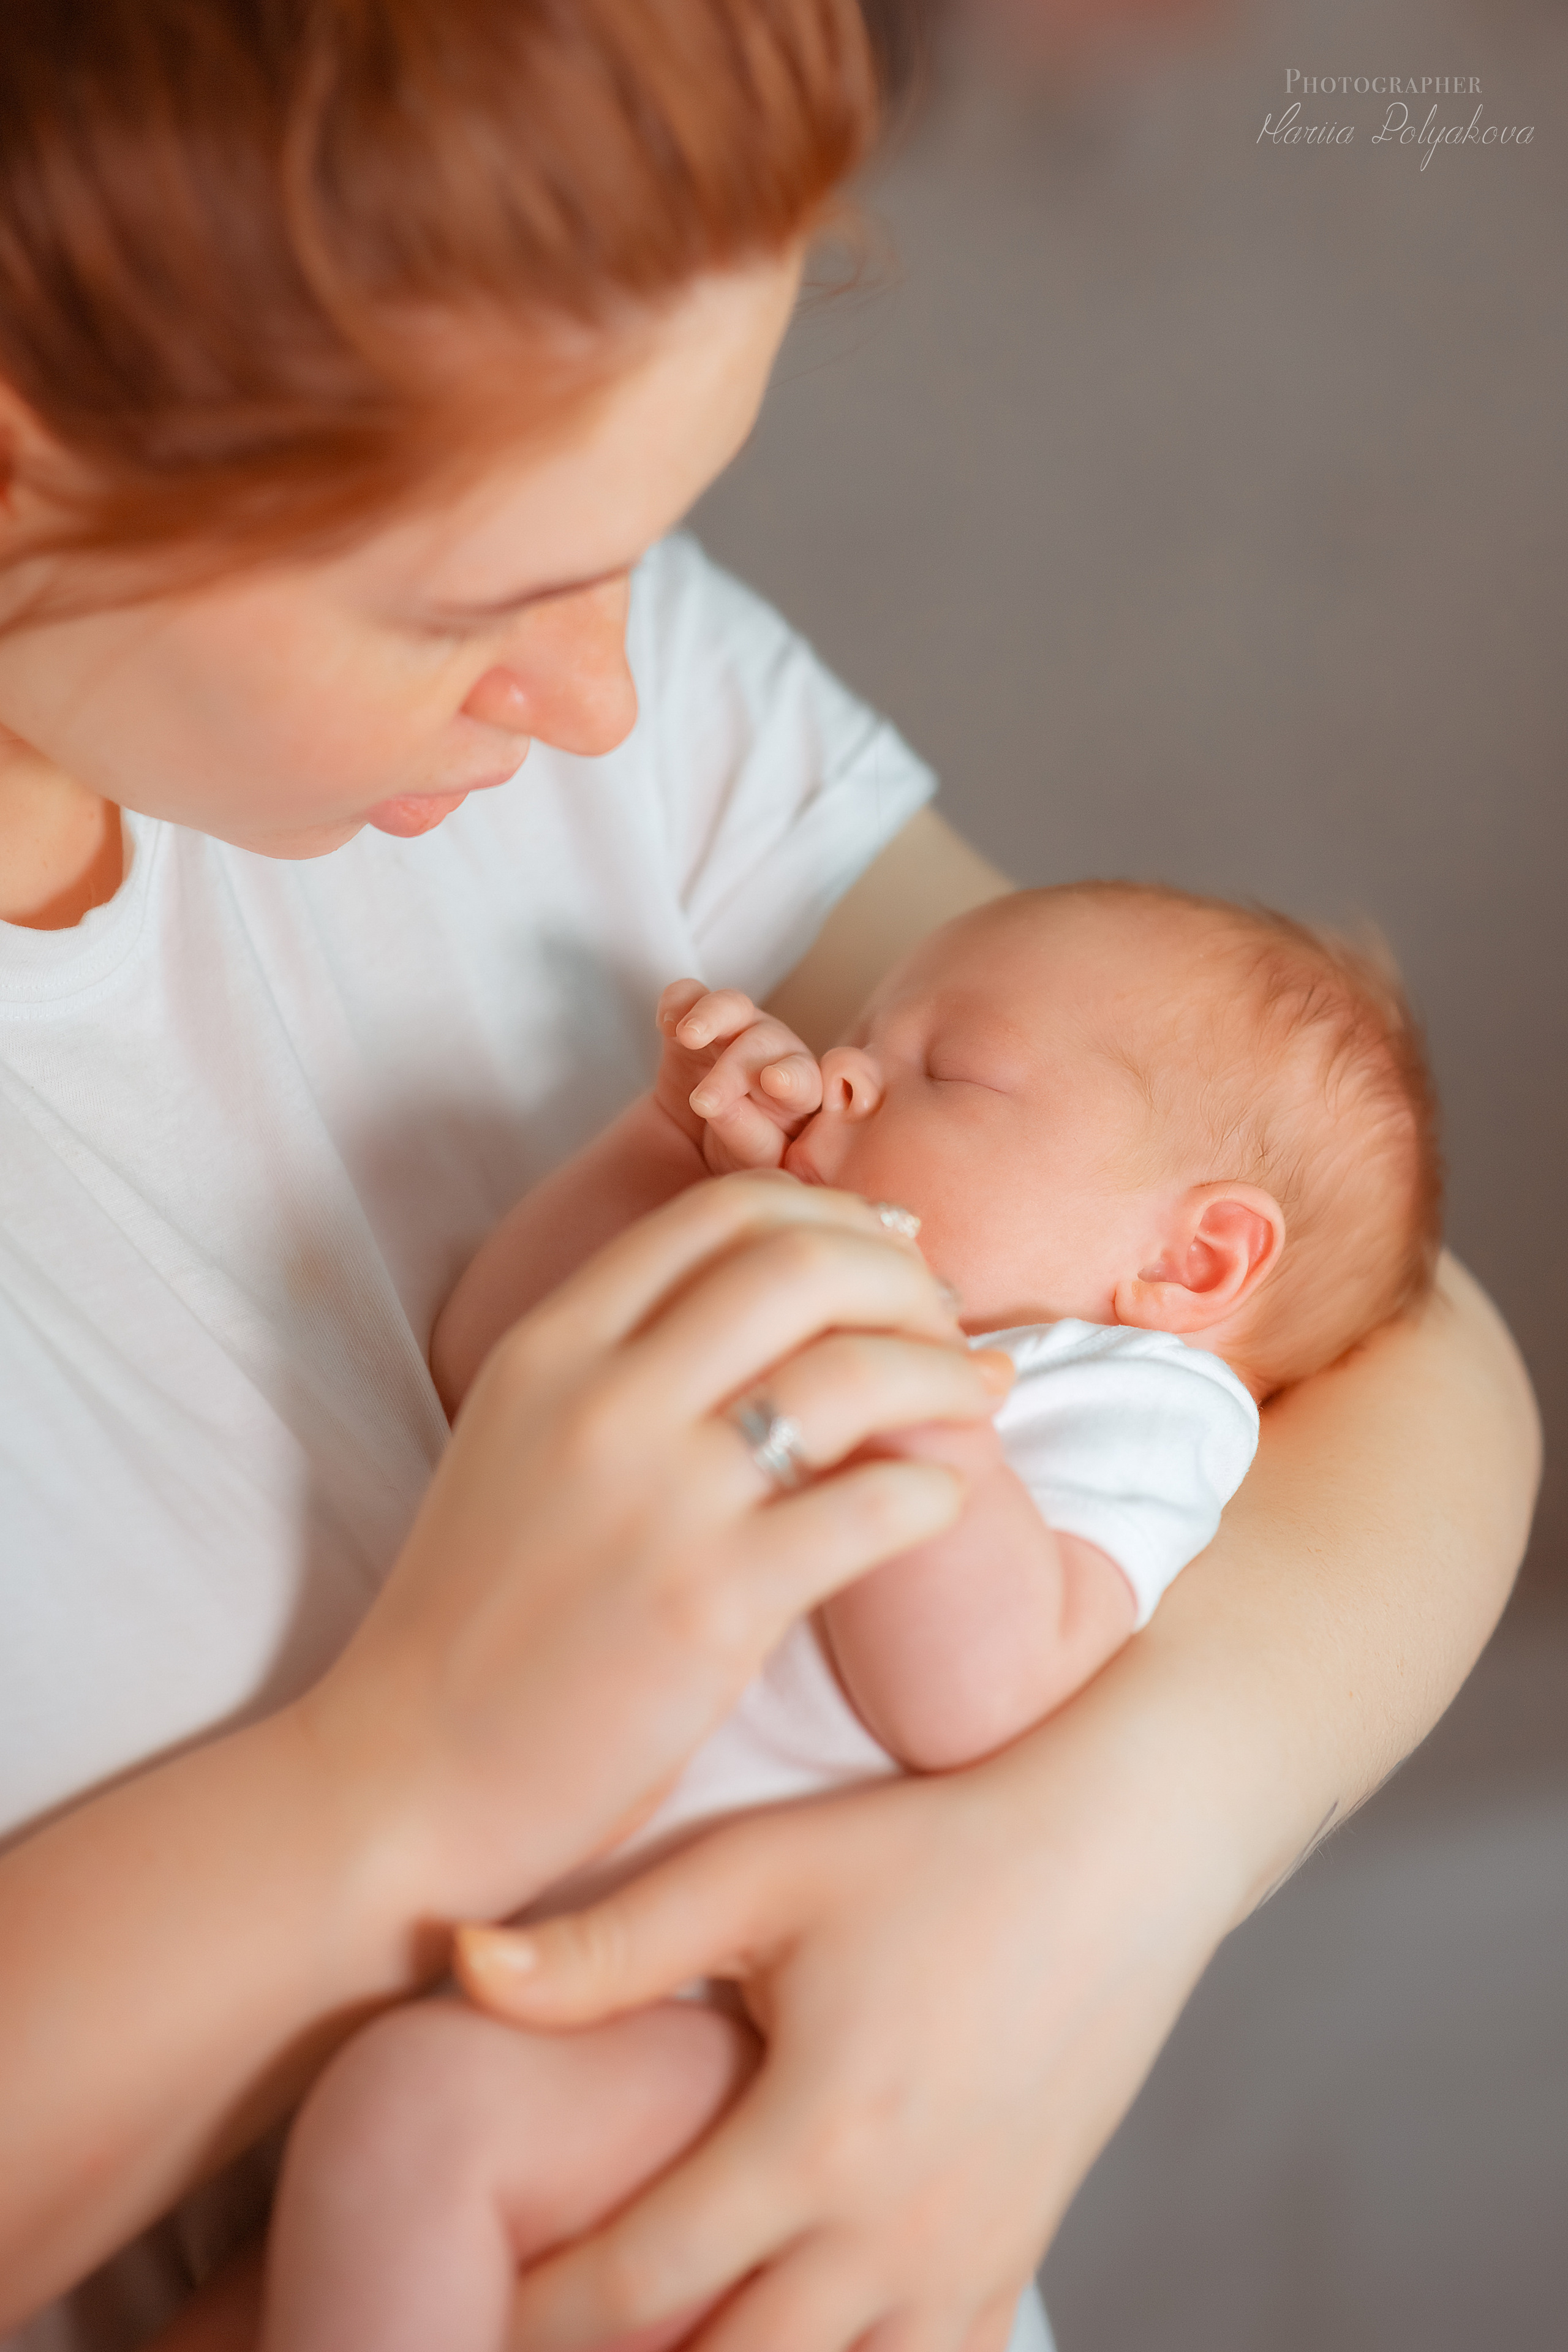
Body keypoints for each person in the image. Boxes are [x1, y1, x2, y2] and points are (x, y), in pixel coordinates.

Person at [0, 6, 1537, 2351]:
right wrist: (399, 1782)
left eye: (651, 533)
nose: (602, 702)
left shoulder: (620, 721)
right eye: (467, 600)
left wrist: (1098, 1867)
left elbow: (1390, 1333)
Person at [258, 878, 1443, 2352]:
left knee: (413, 2124)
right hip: (618, 2008)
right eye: (862, 1034)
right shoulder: (802, 1279)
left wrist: (907, 1392)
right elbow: (496, 1350)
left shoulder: (1128, 1397)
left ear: (1189, 1262)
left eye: (949, 1070)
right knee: (405, 2128)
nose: (843, 1071)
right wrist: (668, 1150)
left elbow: (979, 1691)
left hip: (774, 2044)